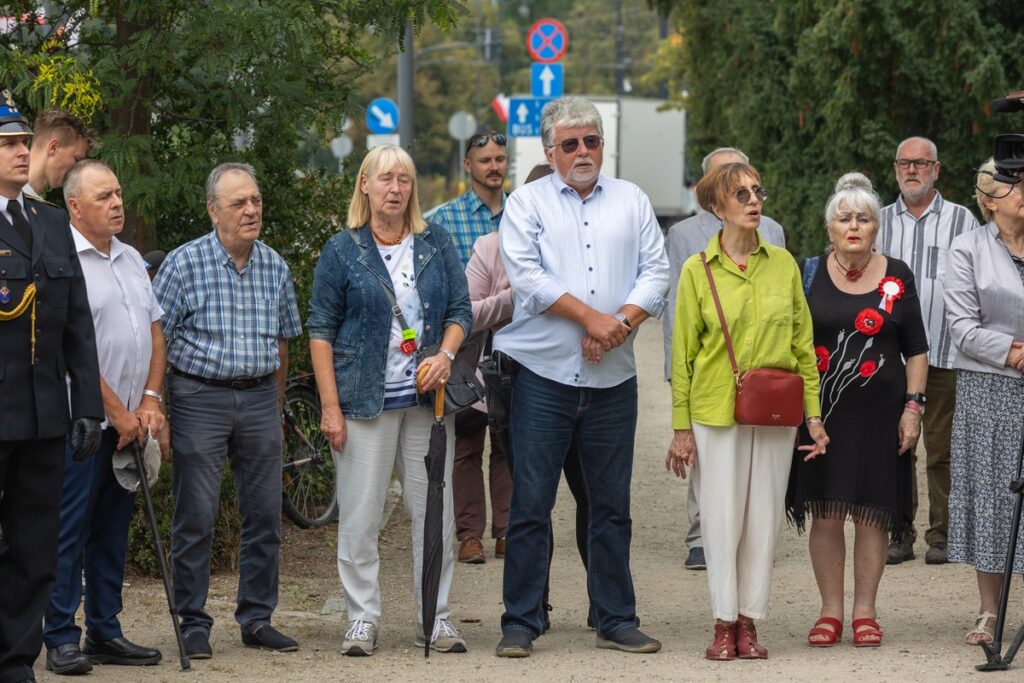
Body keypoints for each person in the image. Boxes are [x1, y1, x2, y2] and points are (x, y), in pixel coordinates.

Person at [494, 95, 668, 658]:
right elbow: (527, 278)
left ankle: (615, 617)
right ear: (551, 151)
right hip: (543, 377)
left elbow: (656, 272)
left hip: (613, 380)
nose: (583, 151)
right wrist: (590, 317)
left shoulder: (632, 200)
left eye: (591, 140)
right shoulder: (527, 202)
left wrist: (616, 323)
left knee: (611, 507)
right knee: (531, 505)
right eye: (570, 144)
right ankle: (520, 621)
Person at [307, 145, 472, 656]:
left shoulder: (435, 242)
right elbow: (320, 331)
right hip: (362, 402)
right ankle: (362, 616)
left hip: (428, 404)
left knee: (434, 515)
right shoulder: (342, 249)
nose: (395, 188)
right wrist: (329, 408)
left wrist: (446, 354)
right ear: (365, 185)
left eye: (404, 179)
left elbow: (461, 310)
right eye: (385, 179)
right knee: (361, 514)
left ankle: (435, 616)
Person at [666, 161, 828, 661]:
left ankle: (750, 622)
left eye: (758, 191)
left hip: (777, 411)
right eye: (741, 194)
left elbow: (804, 345)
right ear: (717, 207)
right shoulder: (698, 269)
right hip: (715, 411)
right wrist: (680, 428)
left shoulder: (783, 263)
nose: (754, 201)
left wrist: (814, 415)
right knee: (720, 519)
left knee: (762, 519)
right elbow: (683, 354)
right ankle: (722, 621)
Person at [153, 162, 303, 659]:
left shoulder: (275, 266)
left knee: (264, 514)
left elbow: (283, 343)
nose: (251, 210)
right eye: (239, 203)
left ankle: (256, 618)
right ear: (213, 210)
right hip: (199, 396)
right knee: (195, 514)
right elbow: (158, 339)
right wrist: (161, 407)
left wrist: (275, 403)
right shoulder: (182, 263)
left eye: (256, 200)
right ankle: (192, 622)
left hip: (260, 395)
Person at [786, 172, 928, 648]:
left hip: (882, 417)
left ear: (875, 227)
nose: (853, 226)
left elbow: (917, 349)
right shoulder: (806, 272)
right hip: (820, 416)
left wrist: (913, 408)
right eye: (844, 218)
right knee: (826, 514)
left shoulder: (898, 275)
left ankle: (865, 612)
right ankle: (830, 612)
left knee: (872, 515)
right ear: (829, 228)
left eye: (863, 219)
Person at [43, 160, 166, 674]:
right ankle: (59, 636)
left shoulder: (132, 257)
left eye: (118, 193)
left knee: (112, 531)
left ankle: (105, 631)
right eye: (104, 197)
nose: (117, 203)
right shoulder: (62, 260)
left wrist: (151, 400)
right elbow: (71, 351)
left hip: (133, 425)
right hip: (85, 426)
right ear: (75, 207)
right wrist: (115, 411)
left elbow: (155, 332)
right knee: (68, 531)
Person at [0, 89, 103, 683]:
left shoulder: (51, 222)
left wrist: (86, 405)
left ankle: (16, 661)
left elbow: (77, 324)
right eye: (9, 144)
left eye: (22, 142)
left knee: (35, 548)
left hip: (43, 417)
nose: (21, 152)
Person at [663, 146, 787, 572]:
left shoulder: (772, 230)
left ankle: (753, 539)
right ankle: (703, 535)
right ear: (711, 193)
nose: (748, 195)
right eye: (731, 184)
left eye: (753, 186)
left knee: (757, 463)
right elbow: (677, 316)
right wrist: (675, 370)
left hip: (763, 371)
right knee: (709, 460)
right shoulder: (682, 236)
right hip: (711, 369)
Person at [877, 136, 980, 565]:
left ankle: (943, 535)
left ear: (937, 170)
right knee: (895, 448)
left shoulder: (963, 220)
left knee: (943, 449)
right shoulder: (877, 222)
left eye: (921, 163)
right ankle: (898, 533)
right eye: (904, 163)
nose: (912, 170)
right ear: (896, 169)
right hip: (890, 357)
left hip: (947, 352)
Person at [944, 159, 1024, 646]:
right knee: (994, 496)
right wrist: (1016, 354)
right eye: (1016, 184)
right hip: (990, 387)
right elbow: (961, 327)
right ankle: (989, 612)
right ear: (990, 200)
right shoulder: (967, 247)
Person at [433, 130, 510, 564]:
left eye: (500, 159)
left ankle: (507, 530)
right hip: (463, 341)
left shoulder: (523, 213)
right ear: (468, 166)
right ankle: (469, 535)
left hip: (515, 340)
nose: (494, 167)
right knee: (466, 441)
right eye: (485, 161)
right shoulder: (445, 218)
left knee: (507, 440)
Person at [24, 110, 94, 200]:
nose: (77, 169)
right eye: (76, 159)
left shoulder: (39, 207)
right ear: (53, 147)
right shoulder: (7, 198)